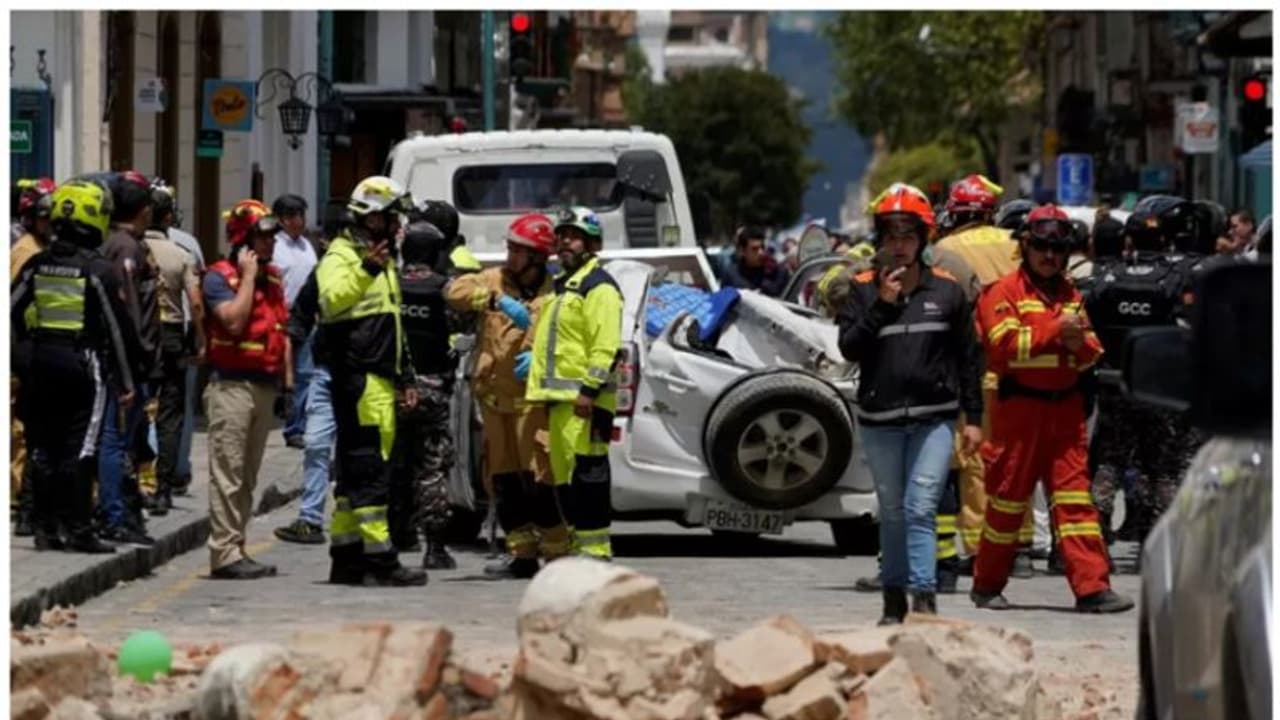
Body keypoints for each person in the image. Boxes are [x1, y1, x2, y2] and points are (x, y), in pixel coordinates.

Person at [971, 204, 1133, 613]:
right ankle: (987, 585)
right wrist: (1056, 332)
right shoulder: (1002, 292)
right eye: (1042, 247)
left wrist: (1080, 345)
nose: (1050, 256)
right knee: (1008, 502)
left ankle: (1092, 588)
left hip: (1065, 412)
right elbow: (1002, 347)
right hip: (1018, 413)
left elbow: (1090, 351)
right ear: (1026, 246)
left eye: (1057, 249)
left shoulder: (1070, 294)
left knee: (1076, 503)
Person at [836, 183, 983, 623]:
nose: (899, 246)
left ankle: (924, 599)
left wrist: (973, 419)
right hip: (879, 421)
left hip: (933, 420)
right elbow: (850, 347)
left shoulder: (948, 292)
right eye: (891, 236)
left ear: (923, 240)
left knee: (922, 507)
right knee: (894, 512)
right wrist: (882, 306)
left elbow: (968, 359)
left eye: (907, 236)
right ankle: (893, 599)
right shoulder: (861, 289)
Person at [10, 179, 134, 554]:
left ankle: (45, 528)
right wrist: (127, 381)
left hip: (41, 365)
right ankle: (79, 529)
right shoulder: (97, 271)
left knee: (43, 447)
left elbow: (11, 308)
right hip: (84, 366)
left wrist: (24, 353)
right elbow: (117, 330)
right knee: (81, 448)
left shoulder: (38, 263)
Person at [316, 176, 426, 587]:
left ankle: (345, 558)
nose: (399, 226)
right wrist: (365, 269)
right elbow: (330, 301)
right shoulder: (343, 256)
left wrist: (405, 377)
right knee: (370, 472)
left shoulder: (381, 259)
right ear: (374, 218)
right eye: (394, 217)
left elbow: (392, 325)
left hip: (380, 377)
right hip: (359, 379)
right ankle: (381, 562)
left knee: (353, 476)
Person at [447, 213, 567, 579]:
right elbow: (454, 292)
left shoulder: (556, 293)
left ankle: (559, 555)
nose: (510, 255)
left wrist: (544, 354)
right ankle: (522, 555)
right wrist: (495, 301)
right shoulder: (493, 280)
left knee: (540, 481)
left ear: (538, 257)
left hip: (534, 404)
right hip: (496, 403)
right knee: (503, 481)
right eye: (510, 248)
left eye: (519, 250)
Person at [1086, 199, 1203, 553]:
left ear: (1129, 240)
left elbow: (1091, 324)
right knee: (1163, 467)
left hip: (1114, 384)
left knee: (1109, 461)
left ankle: (1094, 538)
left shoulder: (1107, 276)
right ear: (1166, 239)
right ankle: (1160, 543)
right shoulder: (1179, 276)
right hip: (1160, 389)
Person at [526, 206, 624, 561]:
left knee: (588, 478)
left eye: (574, 236)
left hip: (585, 403)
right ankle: (578, 547)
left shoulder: (599, 287)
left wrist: (588, 392)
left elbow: (605, 346)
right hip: (561, 401)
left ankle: (595, 551)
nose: (565, 242)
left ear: (592, 243)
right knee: (568, 481)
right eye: (562, 236)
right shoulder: (564, 287)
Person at [202, 200, 292, 579]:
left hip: (264, 387)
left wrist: (288, 386)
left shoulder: (273, 280)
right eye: (263, 236)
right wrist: (249, 277)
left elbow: (281, 333)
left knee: (249, 476)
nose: (271, 243)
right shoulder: (218, 277)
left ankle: (236, 546)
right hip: (231, 387)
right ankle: (223, 553)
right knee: (229, 473)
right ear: (244, 238)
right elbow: (234, 323)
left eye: (273, 237)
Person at [389, 221, 460, 570]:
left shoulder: (390, 285)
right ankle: (435, 547)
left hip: (394, 390)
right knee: (432, 468)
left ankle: (396, 535)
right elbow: (464, 325)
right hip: (433, 390)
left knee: (394, 463)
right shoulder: (444, 288)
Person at [98, 170, 161, 545]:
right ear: (142, 210)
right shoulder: (125, 249)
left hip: (132, 362)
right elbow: (130, 312)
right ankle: (114, 514)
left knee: (128, 441)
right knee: (116, 440)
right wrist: (137, 361)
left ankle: (123, 509)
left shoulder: (127, 244)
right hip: (127, 364)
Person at [142, 182, 204, 516]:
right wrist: (201, 338)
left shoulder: (129, 248)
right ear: (167, 217)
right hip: (171, 334)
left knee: (136, 408)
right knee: (170, 413)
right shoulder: (181, 253)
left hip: (138, 334)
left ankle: (137, 481)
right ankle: (162, 487)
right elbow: (196, 303)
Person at [272, 263, 334, 546]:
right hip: (325, 372)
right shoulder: (326, 268)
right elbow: (300, 317)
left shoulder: (380, 271)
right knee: (316, 444)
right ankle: (310, 519)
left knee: (358, 453)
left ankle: (357, 518)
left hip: (363, 375)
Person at [10, 176, 56, 537]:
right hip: (22, 355)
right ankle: (17, 499)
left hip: (36, 354)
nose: (50, 225)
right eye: (44, 218)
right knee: (20, 434)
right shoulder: (27, 252)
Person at [271, 194, 317, 448]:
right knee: (280, 374)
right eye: (297, 216)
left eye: (302, 215)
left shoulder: (306, 245)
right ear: (284, 219)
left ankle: (295, 427)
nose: (301, 221)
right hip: (283, 315)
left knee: (304, 373)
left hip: (307, 316)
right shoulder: (276, 246)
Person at [720, 226, 790, 297]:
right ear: (742, 251)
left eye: (762, 247)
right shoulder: (731, 275)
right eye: (755, 249)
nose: (761, 252)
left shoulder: (779, 272)